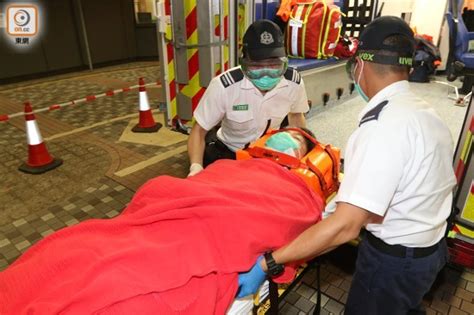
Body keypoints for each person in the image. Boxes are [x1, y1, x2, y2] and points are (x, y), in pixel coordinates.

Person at [237, 16, 457, 315]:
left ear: (360, 65)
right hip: (429, 251)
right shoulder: (424, 112)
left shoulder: (381, 128)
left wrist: (269, 263)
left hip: (394, 262)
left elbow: (345, 226)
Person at [0, 129, 327, 315]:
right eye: (279, 140)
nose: (282, 146)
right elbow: (182, 189)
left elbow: (300, 220)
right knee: (78, 252)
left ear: (304, 159)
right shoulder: (232, 165)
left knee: (122, 285)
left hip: (207, 233)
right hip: (168, 215)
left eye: (294, 145)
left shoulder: (294, 188)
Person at [187, 19, 309, 176]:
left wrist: (300, 151)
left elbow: (296, 116)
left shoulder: (294, 83)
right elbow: (199, 130)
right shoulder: (224, 86)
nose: (266, 73)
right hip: (230, 154)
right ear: (244, 63)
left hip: (270, 154)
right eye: (257, 66)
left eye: (274, 66)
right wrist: (196, 167)